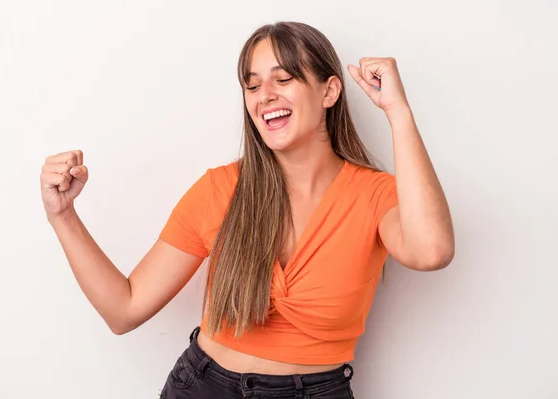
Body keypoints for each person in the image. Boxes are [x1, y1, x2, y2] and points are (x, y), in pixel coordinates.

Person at [40, 21, 454, 399]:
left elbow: (431, 251)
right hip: (202, 387)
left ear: (329, 91)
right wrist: (63, 215)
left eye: (284, 78)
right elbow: (124, 310)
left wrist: (397, 112)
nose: (264, 96)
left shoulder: (373, 194)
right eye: (252, 85)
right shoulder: (220, 189)